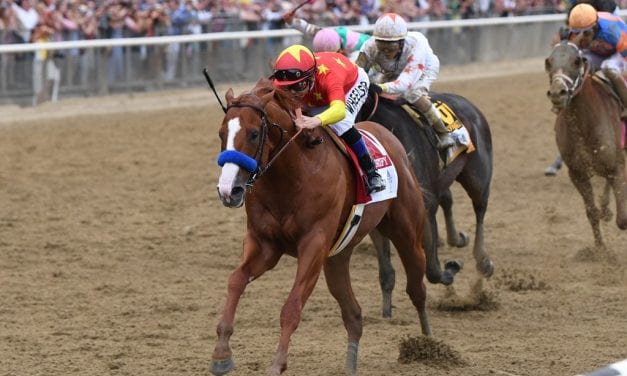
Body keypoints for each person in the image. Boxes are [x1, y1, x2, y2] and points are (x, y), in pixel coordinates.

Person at [271, 44, 385, 194]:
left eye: (298, 86)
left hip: (351, 85)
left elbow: (338, 111)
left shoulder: (329, 76)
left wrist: (316, 120)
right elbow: (291, 101)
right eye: (288, 87)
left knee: (340, 123)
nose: (293, 92)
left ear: (311, 77)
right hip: (317, 96)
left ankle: (372, 172)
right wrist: (298, 116)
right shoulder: (284, 82)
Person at [354, 12, 454, 150]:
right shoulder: (369, 45)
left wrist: (380, 87)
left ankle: (443, 133)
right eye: (381, 47)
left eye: (390, 48)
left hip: (424, 68)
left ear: (401, 43)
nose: (385, 52)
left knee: (411, 94)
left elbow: (405, 83)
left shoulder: (415, 46)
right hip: (392, 70)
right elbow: (357, 72)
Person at [282, 11, 370, 60]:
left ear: (339, 51)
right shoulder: (328, 35)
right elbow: (307, 28)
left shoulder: (359, 52)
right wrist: (292, 21)